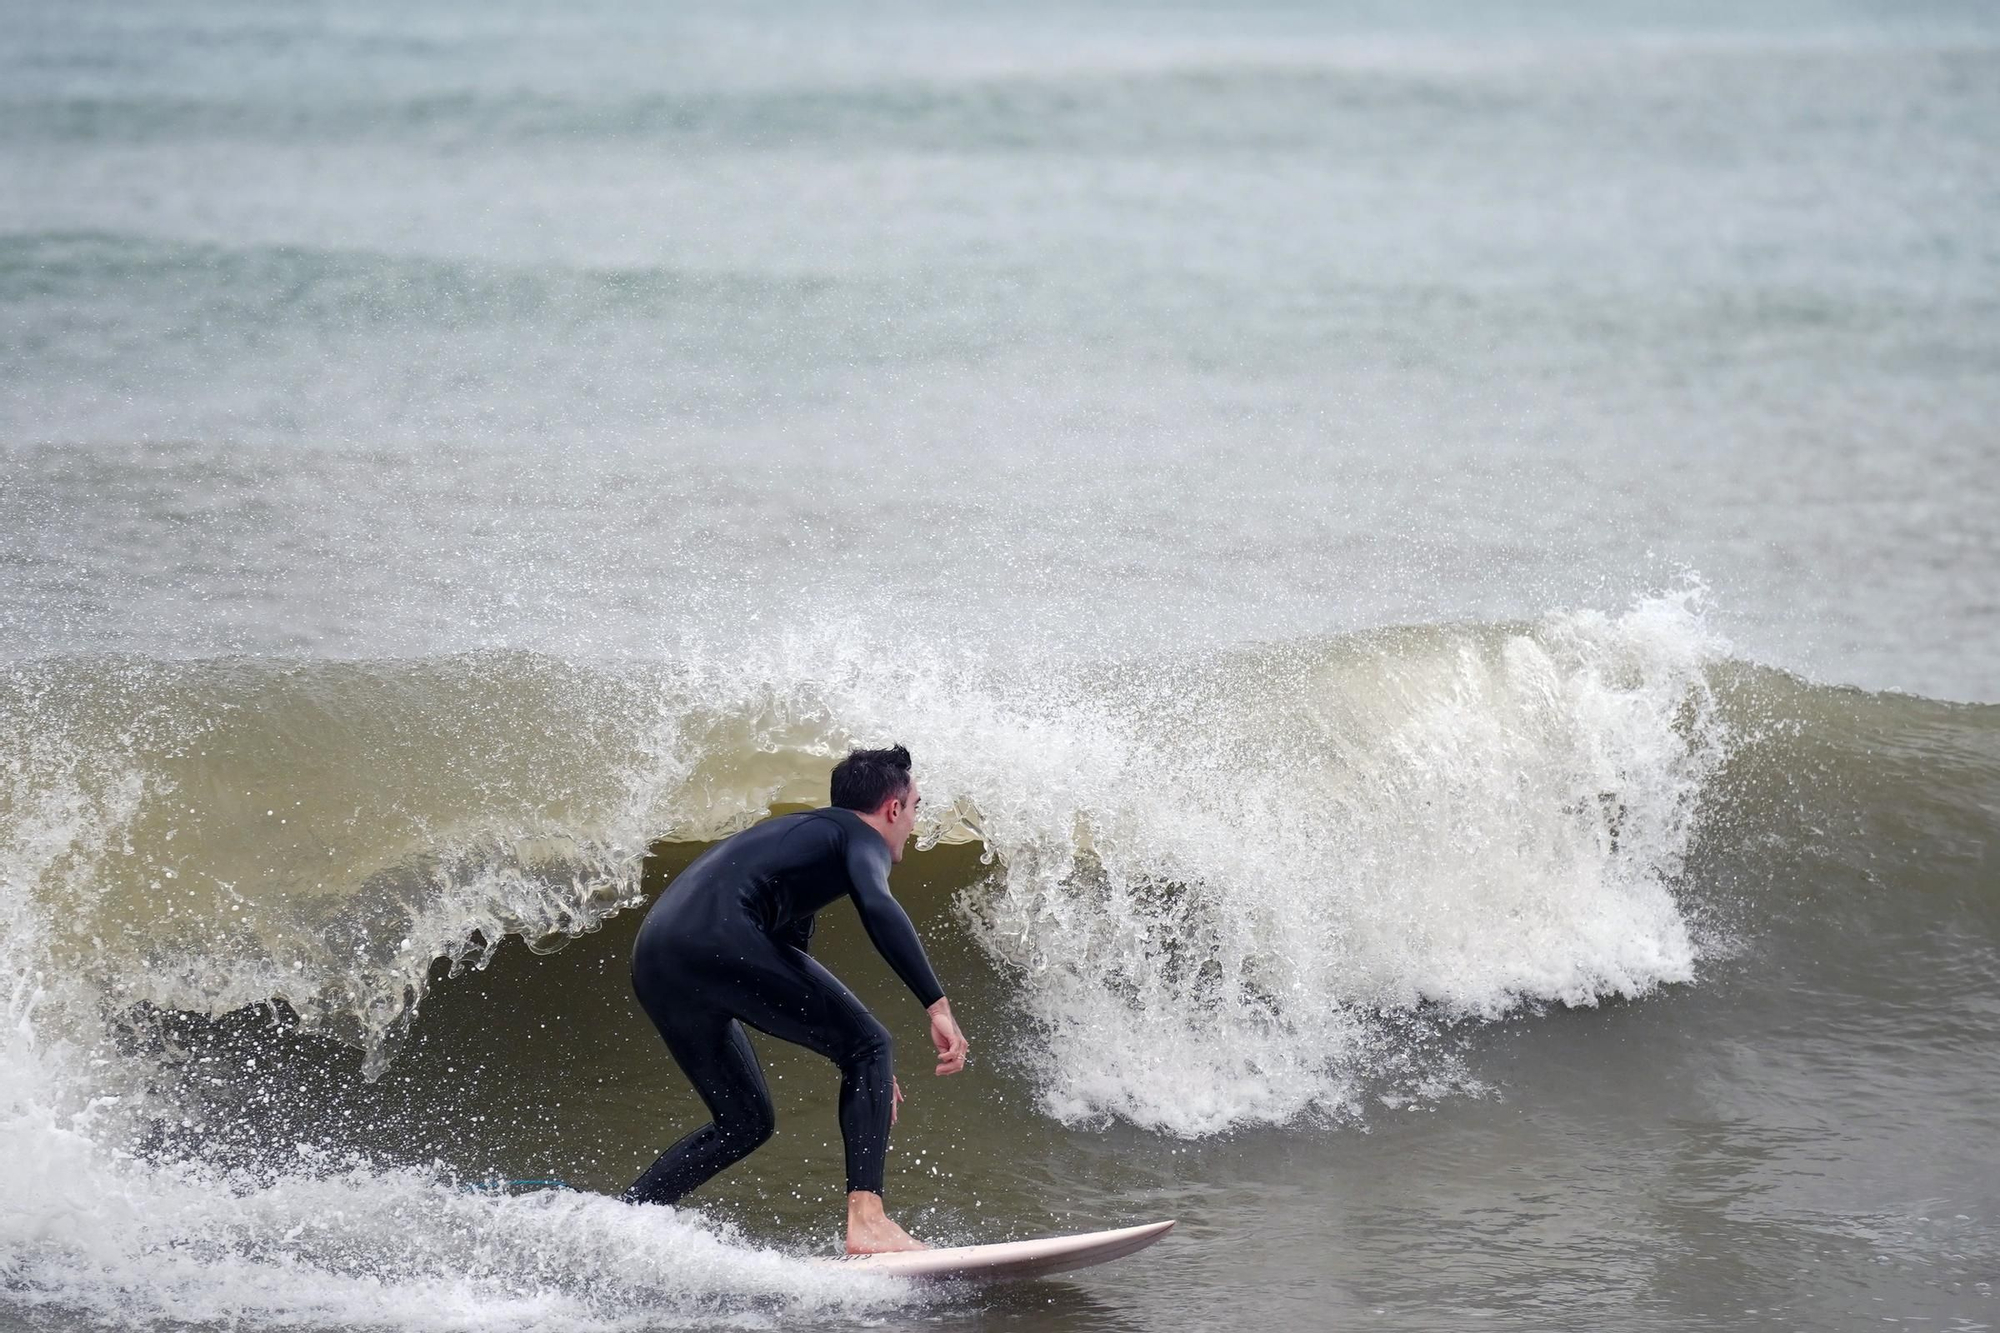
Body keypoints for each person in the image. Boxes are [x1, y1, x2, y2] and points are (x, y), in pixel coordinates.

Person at [623, 744, 970, 1254]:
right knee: (869, 1044)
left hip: (657, 959)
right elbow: (879, 906)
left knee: (745, 1123)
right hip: (714, 940)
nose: (913, 825)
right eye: (915, 809)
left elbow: (789, 966)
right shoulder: (860, 836)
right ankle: (868, 1222)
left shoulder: (802, 847)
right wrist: (935, 1006)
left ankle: (627, 1221)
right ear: (892, 808)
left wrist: (861, 1064)